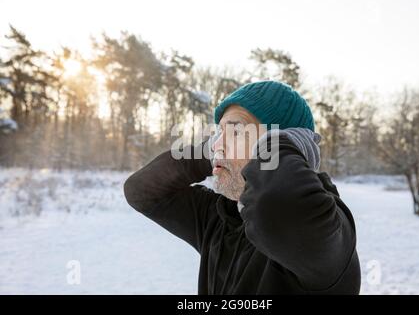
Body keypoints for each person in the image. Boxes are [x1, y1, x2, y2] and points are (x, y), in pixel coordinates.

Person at [124, 80, 361, 294]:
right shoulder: (218, 218)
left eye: (236, 131)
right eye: (218, 132)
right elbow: (141, 191)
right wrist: (212, 152)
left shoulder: (328, 230)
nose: (217, 143)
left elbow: (278, 204)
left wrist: (278, 146)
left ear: (280, 145)